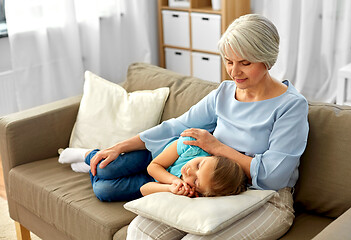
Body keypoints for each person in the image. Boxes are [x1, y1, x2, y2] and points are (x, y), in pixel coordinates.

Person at [89, 13, 309, 239]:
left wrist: (218, 148)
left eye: (245, 63)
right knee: (140, 231)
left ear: (267, 59)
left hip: (268, 199)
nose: (234, 72)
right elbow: (178, 126)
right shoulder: (224, 93)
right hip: (211, 191)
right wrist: (120, 147)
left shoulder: (291, 106)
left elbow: (273, 177)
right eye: (229, 61)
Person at [59, 136, 247, 201]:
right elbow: (153, 167)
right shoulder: (192, 147)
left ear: (201, 192)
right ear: (212, 156)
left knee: (103, 191)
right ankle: (88, 155)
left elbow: (145, 189)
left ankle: (88, 168)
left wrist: (170, 189)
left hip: (153, 181)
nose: (190, 172)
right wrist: (173, 179)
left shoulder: (189, 192)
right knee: (104, 169)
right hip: (151, 158)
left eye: (196, 181)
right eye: (199, 165)